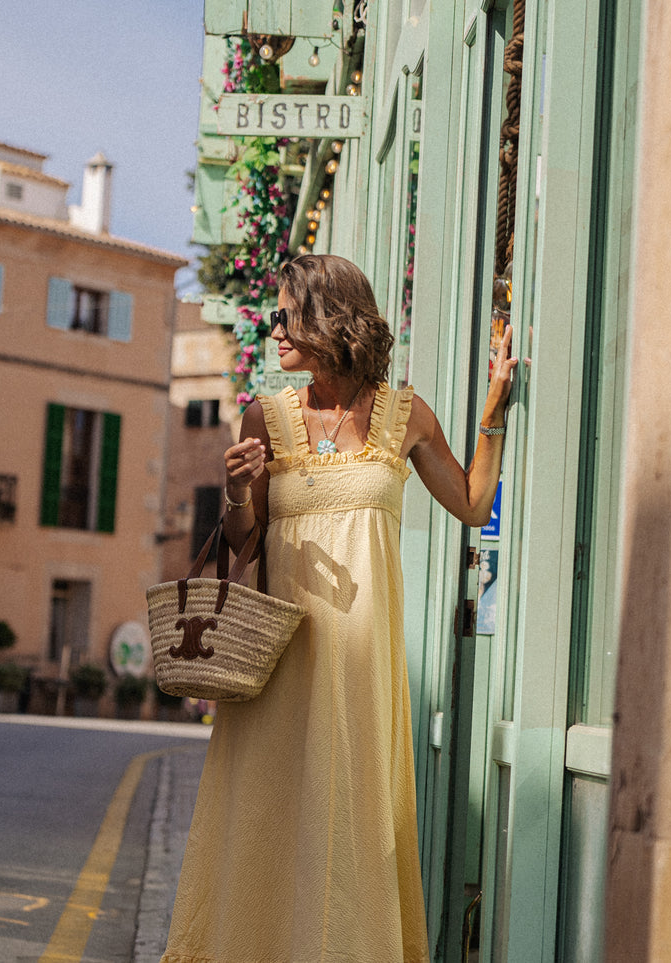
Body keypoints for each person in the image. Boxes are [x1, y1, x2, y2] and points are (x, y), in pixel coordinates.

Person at [161, 254, 518, 963]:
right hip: (280, 657)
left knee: (351, 818)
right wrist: (237, 488)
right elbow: (245, 539)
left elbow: (473, 504)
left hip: (361, 665)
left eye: (286, 314)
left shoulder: (404, 414)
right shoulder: (261, 415)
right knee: (267, 812)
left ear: (331, 317)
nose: (274, 330)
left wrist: (494, 415)